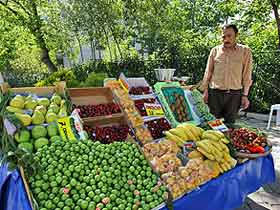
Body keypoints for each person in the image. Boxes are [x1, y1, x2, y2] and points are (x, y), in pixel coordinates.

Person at [202, 24, 253, 126]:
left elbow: (247, 75)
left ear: (236, 35)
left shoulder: (245, 51)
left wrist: (245, 95)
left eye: (229, 36)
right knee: (213, 125)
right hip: (215, 95)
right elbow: (208, 72)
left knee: (230, 126)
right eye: (224, 37)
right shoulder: (215, 51)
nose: (226, 39)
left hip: (234, 95)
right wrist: (205, 91)